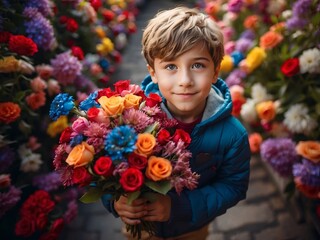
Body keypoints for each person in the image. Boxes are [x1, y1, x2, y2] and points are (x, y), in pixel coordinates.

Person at [102, 6, 251, 240]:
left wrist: (178, 208)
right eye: (171, 66)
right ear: (153, 72)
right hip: (140, 227)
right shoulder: (129, 120)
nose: (185, 81)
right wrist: (116, 202)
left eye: (198, 65)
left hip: (190, 228)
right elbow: (103, 170)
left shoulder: (233, 135)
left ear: (215, 71)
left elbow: (233, 187)